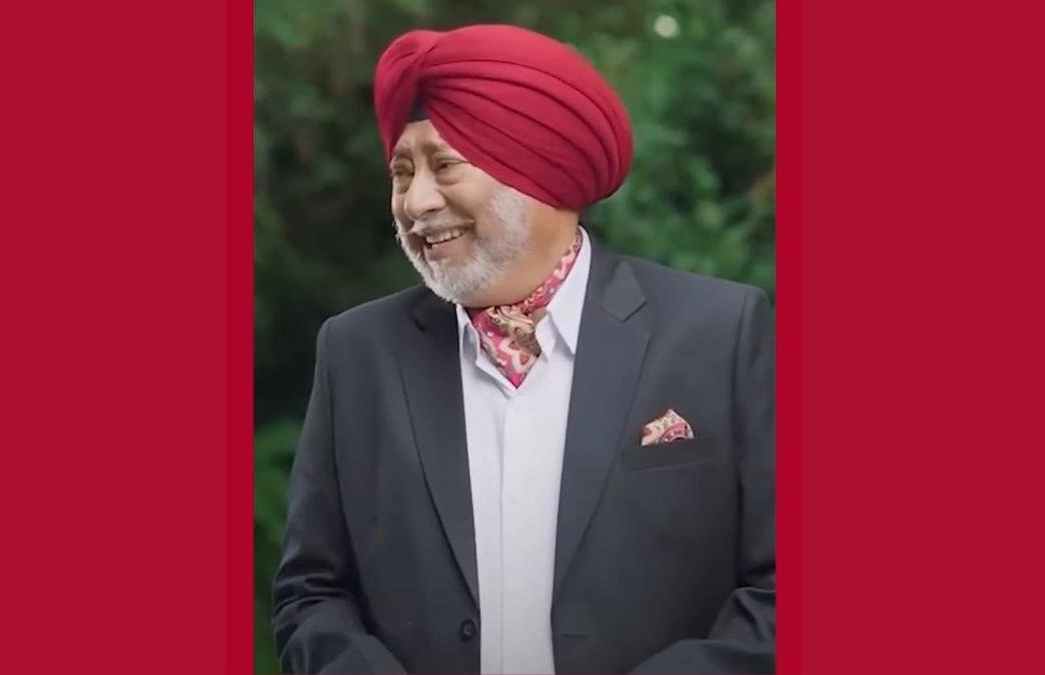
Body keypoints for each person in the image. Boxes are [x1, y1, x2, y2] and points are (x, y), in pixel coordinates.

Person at [273, 23, 774, 674]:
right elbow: (312, 594)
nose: (416, 201)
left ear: (538, 168)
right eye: (401, 172)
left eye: (444, 165)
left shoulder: (718, 333)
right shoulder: (358, 353)